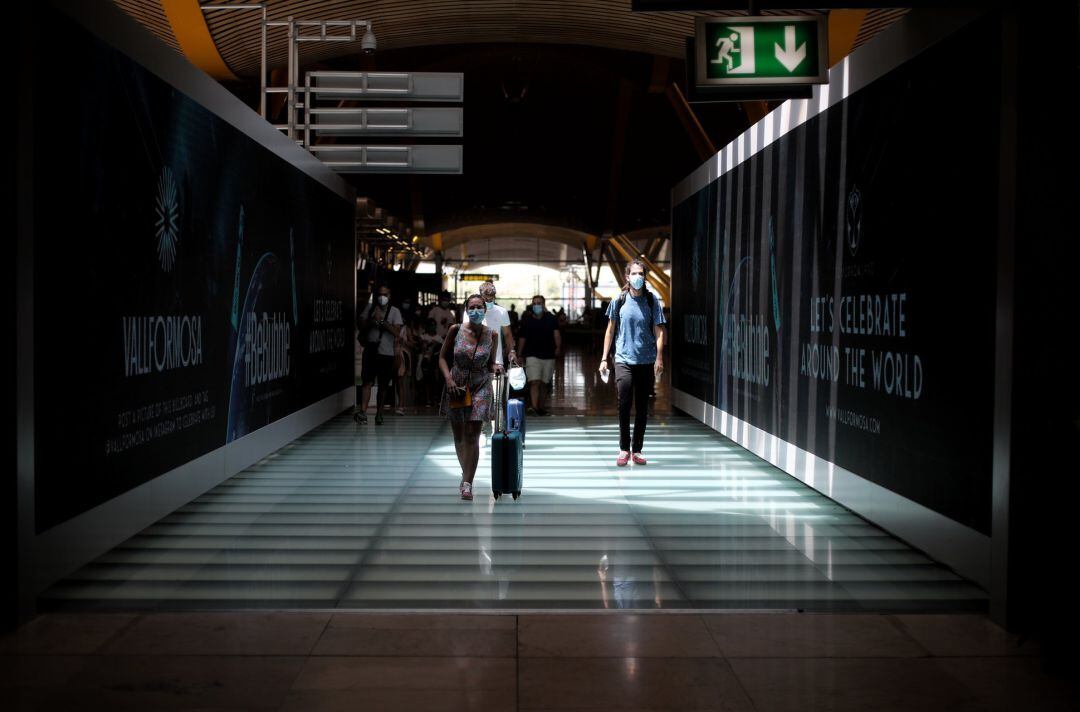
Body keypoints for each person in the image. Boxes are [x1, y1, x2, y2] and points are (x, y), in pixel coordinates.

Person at [599, 260, 666, 466]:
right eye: (634, 273)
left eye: (641, 273)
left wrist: (659, 357)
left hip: (645, 361)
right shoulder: (619, 300)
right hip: (623, 360)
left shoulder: (652, 301)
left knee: (642, 406)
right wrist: (604, 358)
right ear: (627, 277)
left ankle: (637, 450)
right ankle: (623, 449)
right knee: (624, 403)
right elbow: (610, 330)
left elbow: (660, 330)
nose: (638, 277)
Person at [440, 294, 497, 501]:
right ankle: (466, 474)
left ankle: (467, 483)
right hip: (457, 386)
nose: (476, 310)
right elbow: (442, 358)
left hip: (481, 385)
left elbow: (490, 363)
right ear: (466, 309)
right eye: (472, 307)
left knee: (473, 434)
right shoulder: (455, 330)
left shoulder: (492, 334)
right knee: (459, 435)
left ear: (485, 309)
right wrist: (448, 379)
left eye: (479, 307)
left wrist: (496, 366)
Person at [356, 285, 403, 425]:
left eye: (385, 294)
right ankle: (363, 412)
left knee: (383, 385)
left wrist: (381, 321)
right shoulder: (370, 308)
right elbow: (361, 326)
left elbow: (397, 333)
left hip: (386, 353)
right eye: (380, 294)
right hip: (370, 350)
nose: (382, 297)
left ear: (390, 296)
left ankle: (379, 413)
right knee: (367, 382)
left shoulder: (395, 312)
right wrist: (372, 320)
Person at [517, 294, 561, 416]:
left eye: (539, 303)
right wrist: (519, 354)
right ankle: (534, 407)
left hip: (549, 355)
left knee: (544, 383)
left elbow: (556, 334)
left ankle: (540, 407)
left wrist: (558, 347)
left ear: (543, 304)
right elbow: (522, 338)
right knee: (534, 381)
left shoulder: (551, 319)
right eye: (534, 303)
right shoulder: (527, 320)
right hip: (532, 355)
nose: (537, 305)